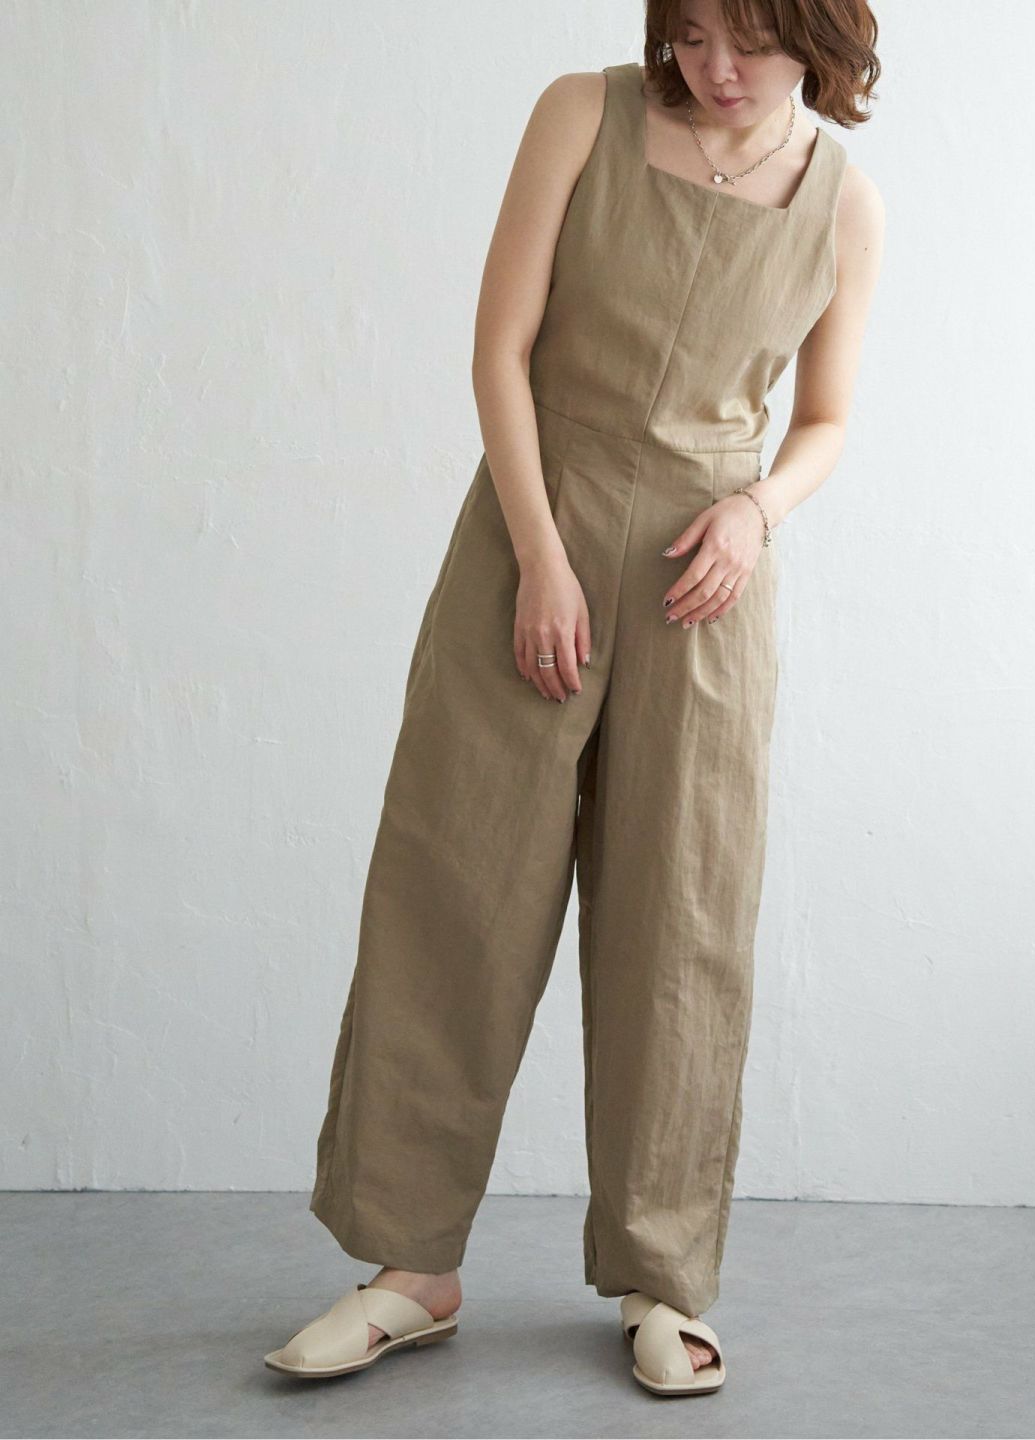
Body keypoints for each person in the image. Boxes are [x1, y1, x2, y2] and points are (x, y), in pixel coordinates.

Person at [265, 0, 884, 1397]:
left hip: (703, 581)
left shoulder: (844, 204)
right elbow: (500, 349)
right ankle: (410, 1268)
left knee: (682, 922)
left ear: (817, 34)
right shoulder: (581, 114)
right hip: (530, 535)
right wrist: (539, 555)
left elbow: (828, 418)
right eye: (693, 32)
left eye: (749, 40)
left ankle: (663, 1279)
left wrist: (757, 514)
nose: (714, 68)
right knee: (457, 886)